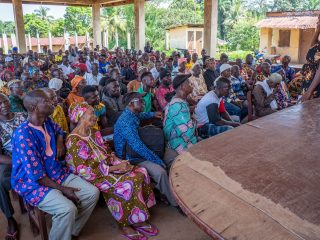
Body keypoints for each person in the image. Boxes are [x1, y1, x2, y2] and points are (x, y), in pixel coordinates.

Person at [11, 89, 99, 240]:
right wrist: (63, 189)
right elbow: (37, 176)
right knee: (67, 209)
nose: (53, 102)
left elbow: (60, 130)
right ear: (34, 107)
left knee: (92, 193)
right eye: (46, 101)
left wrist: (59, 141)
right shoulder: (23, 135)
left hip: (56, 172)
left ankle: (71, 230)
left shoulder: (47, 121)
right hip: (33, 183)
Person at [66, 102, 158, 240]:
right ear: (81, 116)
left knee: (141, 172)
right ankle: (125, 224)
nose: (95, 115)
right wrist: (115, 168)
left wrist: (118, 161)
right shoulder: (74, 141)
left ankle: (138, 217)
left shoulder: (93, 131)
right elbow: (85, 171)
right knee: (126, 185)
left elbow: (106, 150)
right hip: (93, 176)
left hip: (108, 166)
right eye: (91, 112)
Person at [114, 92, 178, 208]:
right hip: (131, 157)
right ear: (131, 104)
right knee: (160, 172)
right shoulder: (125, 122)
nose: (144, 103)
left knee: (173, 156)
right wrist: (157, 160)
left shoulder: (133, 114)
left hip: (139, 149)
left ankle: (169, 190)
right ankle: (176, 202)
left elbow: (141, 116)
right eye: (140, 101)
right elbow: (138, 147)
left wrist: (153, 113)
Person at [0, 93, 27, 240]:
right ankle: (10, 219)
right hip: (11, 160)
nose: (3, 105)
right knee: (0, 182)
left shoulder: (22, 116)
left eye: (5, 100)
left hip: (31, 154)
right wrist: (19, 160)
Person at [163, 74, 197, 155]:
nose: (191, 84)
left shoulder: (180, 101)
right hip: (178, 142)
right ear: (182, 86)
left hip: (183, 139)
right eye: (188, 83)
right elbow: (188, 131)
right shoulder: (177, 105)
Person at [301, 15, 320, 102]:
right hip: (309, 82)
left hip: (315, 86)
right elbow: (312, 46)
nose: (317, 22)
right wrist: (318, 29)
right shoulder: (318, 44)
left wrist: (309, 92)